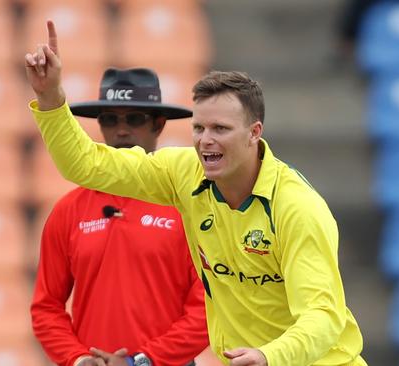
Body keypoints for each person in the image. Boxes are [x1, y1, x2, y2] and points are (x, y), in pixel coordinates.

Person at [26, 21, 367, 366]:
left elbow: (323, 316)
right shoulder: (183, 173)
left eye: (220, 128)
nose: (205, 140)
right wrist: (51, 97)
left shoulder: (296, 207)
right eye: (199, 128)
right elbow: (85, 166)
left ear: (254, 133)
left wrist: (268, 355)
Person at [30, 66, 211, 366]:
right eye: (111, 119)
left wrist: (142, 362)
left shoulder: (190, 205)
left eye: (135, 119)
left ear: (159, 124)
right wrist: (77, 358)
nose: (122, 130)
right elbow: (46, 307)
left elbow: (206, 309)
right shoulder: (68, 211)